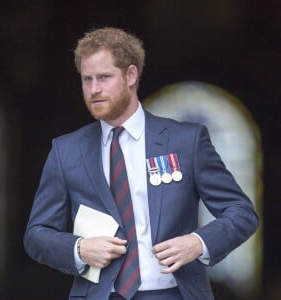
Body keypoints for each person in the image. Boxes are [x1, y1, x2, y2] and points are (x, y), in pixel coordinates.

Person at [24, 27, 259, 300]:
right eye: (86, 79)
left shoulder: (185, 141)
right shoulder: (66, 150)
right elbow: (36, 235)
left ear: (131, 75)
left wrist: (198, 243)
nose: (94, 89)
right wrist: (79, 249)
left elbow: (241, 212)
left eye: (104, 77)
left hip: (174, 293)